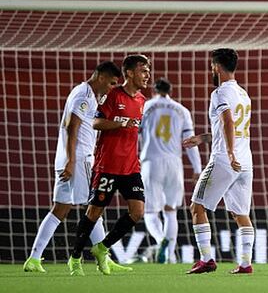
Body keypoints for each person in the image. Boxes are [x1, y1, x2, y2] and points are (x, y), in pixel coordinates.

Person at [23, 61, 121, 273]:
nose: (112, 88)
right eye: (112, 83)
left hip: (68, 158)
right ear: (102, 77)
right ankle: (103, 257)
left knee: (59, 209)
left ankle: (34, 259)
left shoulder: (85, 93)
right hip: (79, 158)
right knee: (95, 207)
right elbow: (71, 126)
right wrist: (71, 160)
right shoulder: (84, 96)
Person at [67, 54, 151, 276]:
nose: (147, 75)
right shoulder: (112, 95)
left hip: (131, 166)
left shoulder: (142, 100)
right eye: (143, 70)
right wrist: (120, 122)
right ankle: (75, 258)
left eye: (148, 71)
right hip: (107, 166)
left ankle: (101, 248)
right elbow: (95, 122)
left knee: (137, 211)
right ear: (130, 73)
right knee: (94, 212)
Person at [183, 48, 254, 275]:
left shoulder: (220, 93)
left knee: (197, 206)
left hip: (225, 160)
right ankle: (245, 263)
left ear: (216, 67)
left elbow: (228, 122)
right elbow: (230, 128)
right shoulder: (243, 94)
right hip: (246, 163)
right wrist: (203, 138)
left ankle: (206, 259)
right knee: (241, 214)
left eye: (211, 66)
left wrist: (230, 153)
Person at [139, 78, 202, 264]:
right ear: (170, 91)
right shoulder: (182, 110)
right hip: (174, 164)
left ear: (153, 91)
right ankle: (170, 257)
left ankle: (161, 241)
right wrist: (197, 168)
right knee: (171, 211)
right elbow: (190, 142)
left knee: (150, 212)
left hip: (151, 163)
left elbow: (134, 137)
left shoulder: (145, 107)